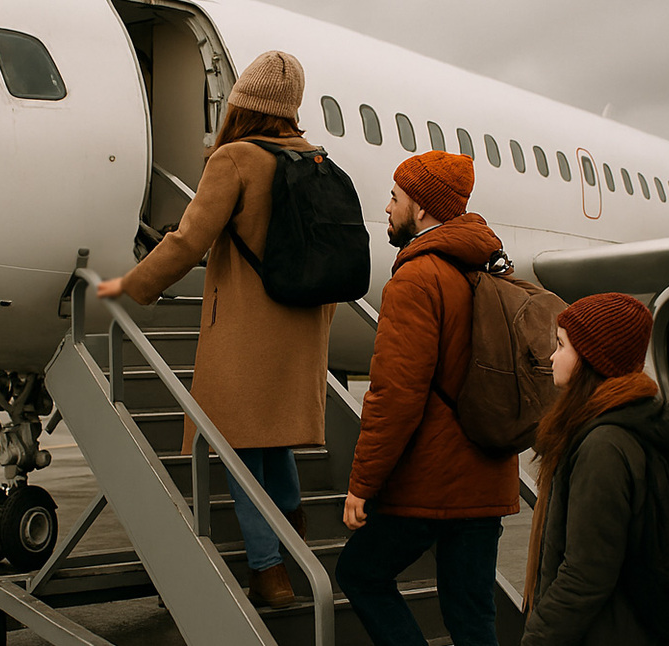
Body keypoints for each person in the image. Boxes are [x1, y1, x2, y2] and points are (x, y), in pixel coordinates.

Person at [97, 50, 333, 609]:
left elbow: (186, 242)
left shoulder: (235, 160)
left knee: (236, 449)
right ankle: (293, 536)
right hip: (302, 328)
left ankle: (268, 570)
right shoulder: (317, 159)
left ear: (242, 103)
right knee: (273, 442)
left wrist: (130, 286)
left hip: (247, 332)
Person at [334, 150, 520, 646]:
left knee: (360, 573)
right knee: (472, 615)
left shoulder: (417, 277)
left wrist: (362, 483)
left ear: (420, 208)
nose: (387, 206)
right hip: (488, 477)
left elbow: (395, 394)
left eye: (395, 196)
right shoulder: (485, 268)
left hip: (432, 479)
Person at [520, 292, 669, 646]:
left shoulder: (603, 445)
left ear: (591, 358)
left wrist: (537, 637)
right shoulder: (623, 425)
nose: (552, 356)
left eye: (562, 345)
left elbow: (585, 573)